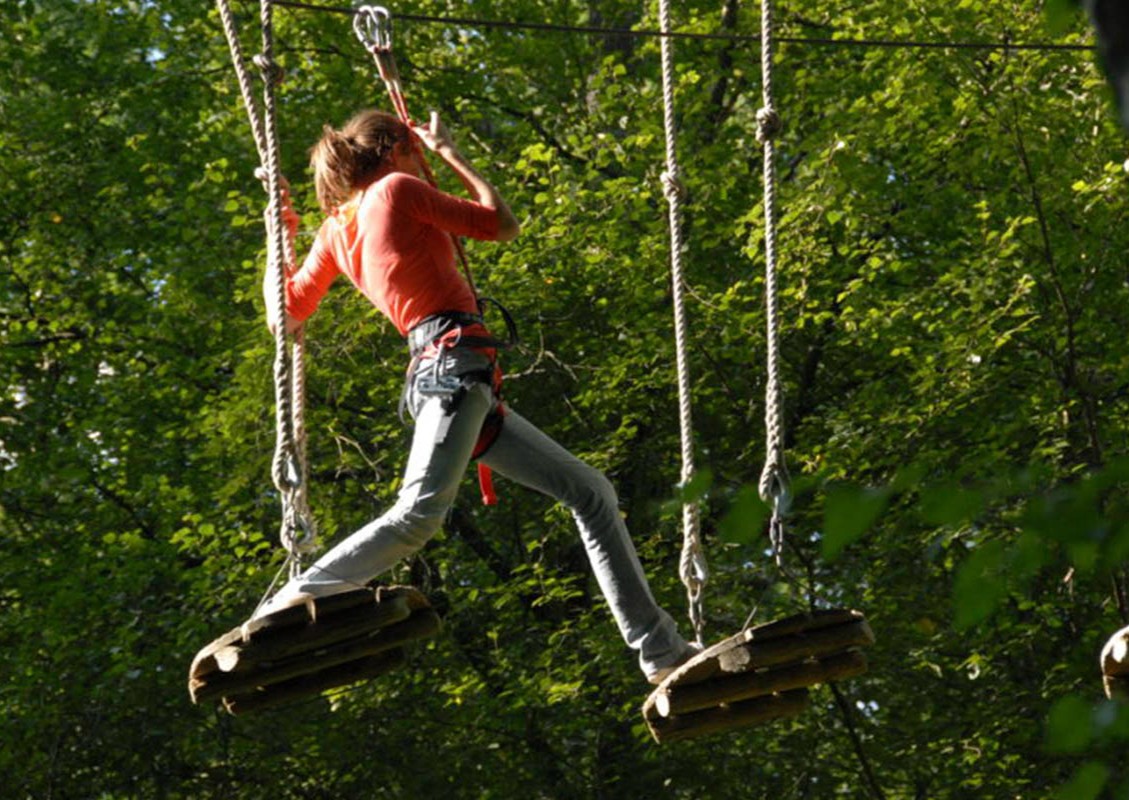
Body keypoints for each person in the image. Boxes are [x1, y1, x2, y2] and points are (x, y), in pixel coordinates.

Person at [256, 108, 696, 684]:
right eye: (412, 146)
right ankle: (287, 603)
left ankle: (661, 653)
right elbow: (501, 223)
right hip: (452, 370)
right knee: (418, 515)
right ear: (394, 150)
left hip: (453, 376)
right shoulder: (397, 186)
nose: (420, 159)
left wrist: (280, 232)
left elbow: (284, 315)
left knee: (590, 491)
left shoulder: (337, 227)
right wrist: (449, 152)